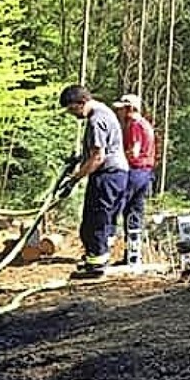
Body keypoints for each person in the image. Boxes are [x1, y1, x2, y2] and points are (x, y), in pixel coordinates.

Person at [59, 84, 129, 277]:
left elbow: (98, 157)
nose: (73, 115)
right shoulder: (105, 112)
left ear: (82, 103)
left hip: (107, 175)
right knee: (102, 221)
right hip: (117, 175)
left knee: (94, 221)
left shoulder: (96, 120)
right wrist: (79, 160)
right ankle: (96, 260)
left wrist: (74, 179)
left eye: (73, 109)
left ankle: (96, 265)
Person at [112, 93, 156, 263]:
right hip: (146, 173)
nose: (118, 112)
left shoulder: (134, 125)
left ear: (130, 109)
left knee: (116, 208)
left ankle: (103, 251)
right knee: (134, 213)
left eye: (121, 109)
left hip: (135, 171)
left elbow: (134, 151)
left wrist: (119, 158)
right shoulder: (146, 124)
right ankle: (133, 255)